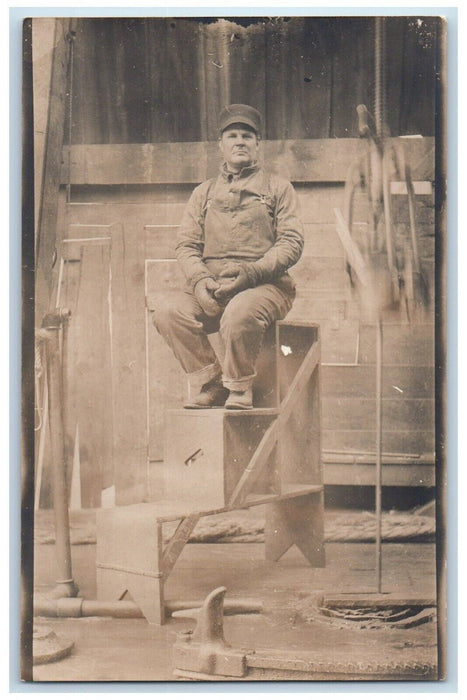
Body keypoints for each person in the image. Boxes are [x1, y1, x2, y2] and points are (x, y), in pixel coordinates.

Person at [152, 104, 304, 410]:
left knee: (239, 311)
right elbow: (186, 244)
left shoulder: (278, 189)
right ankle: (211, 382)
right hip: (213, 286)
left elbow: (292, 242)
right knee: (167, 312)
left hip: (265, 286)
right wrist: (199, 281)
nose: (240, 142)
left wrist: (251, 273)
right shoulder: (203, 193)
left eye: (247, 136)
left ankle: (238, 388)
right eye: (232, 135)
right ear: (220, 146)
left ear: (258, 145)